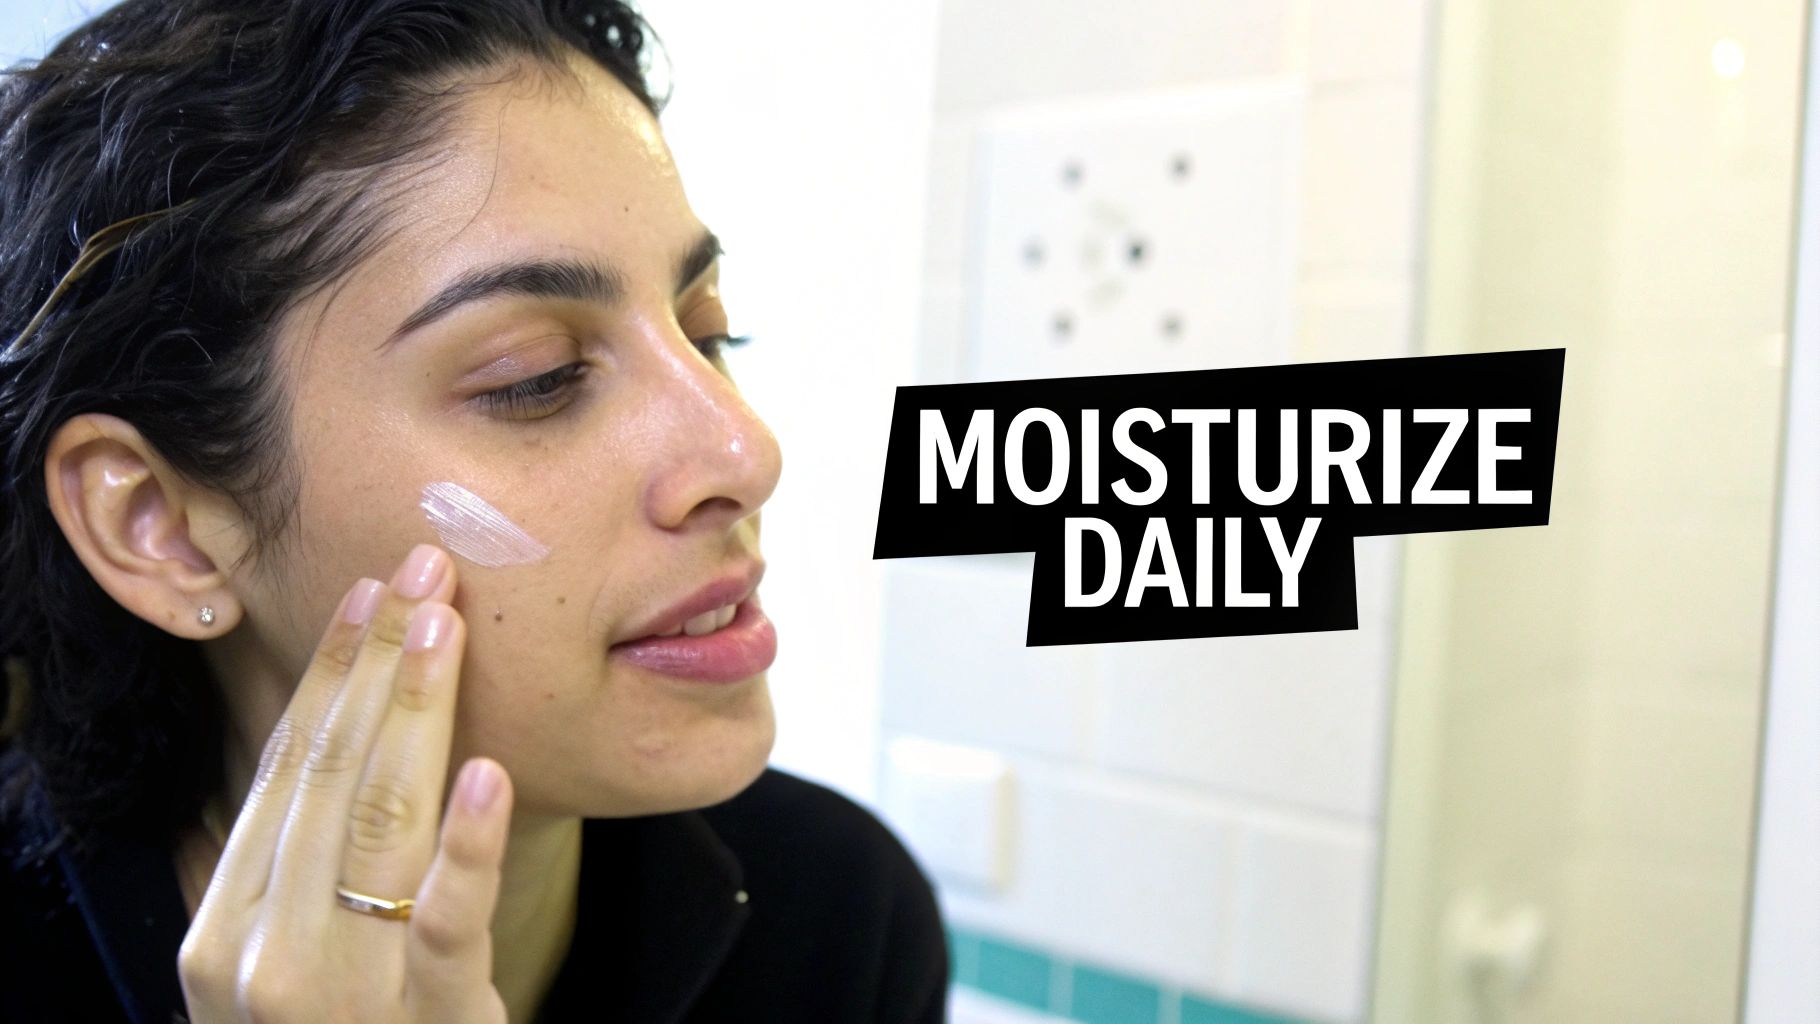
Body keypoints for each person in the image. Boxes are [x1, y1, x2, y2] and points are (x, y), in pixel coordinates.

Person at [0, 1, 950, 1020]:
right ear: (161, 526)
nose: (743, 452)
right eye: (535, 378)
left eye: (706, 330)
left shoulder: (835, 917)